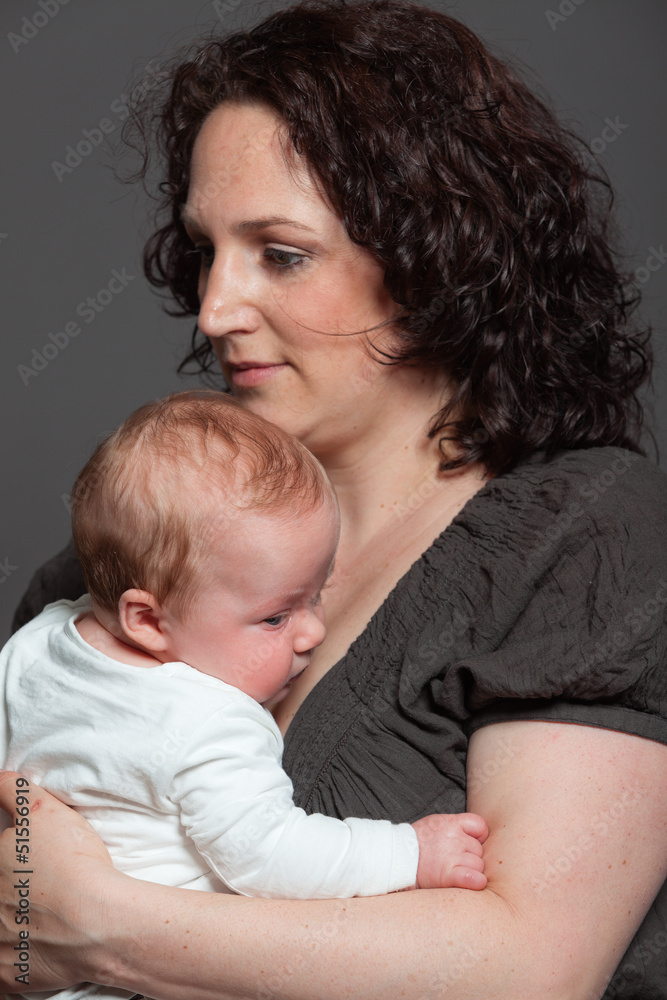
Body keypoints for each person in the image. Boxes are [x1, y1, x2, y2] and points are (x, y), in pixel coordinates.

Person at [1, 1, 666, 998]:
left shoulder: (584, 533)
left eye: (282, 252)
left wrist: (101, 927)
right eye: (207, 250)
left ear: (435, 255)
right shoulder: (142, 551)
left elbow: (531, 966)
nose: (217, 309)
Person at [1, 389, 487, 1000]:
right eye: (276, 617)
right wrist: (410, 851)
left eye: (315, 594)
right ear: (148, 621)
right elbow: (271, 857)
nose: (313, 629)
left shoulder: (35, 646)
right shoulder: (210, 721)